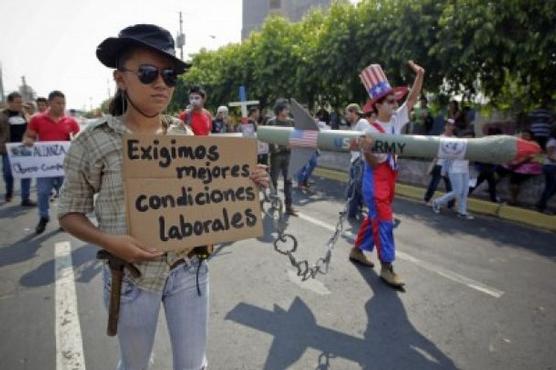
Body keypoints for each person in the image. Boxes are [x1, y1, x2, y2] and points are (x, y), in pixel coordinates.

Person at [58, 24, 268, 370]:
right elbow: (68, 213)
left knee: (193, 364)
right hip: (132, 277)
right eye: (147, 72)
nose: (160, 83)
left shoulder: (182, 132)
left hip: (190, 270)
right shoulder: (93, 141)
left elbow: (205, 193)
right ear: (121, 78)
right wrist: (111, 242)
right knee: (136, 364)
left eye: (169, 75)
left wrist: (245, 181)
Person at [350, 61, 424, 288]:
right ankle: (387, 267)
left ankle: (357, 250)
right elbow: (371, 163)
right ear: (378, 105)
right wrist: (366, 150)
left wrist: (420, 75)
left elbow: (411, 99)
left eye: (395, 100)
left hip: (390, 176)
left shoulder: (396, 120)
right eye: (390, 101)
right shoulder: (369, 131)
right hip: (375, 179)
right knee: (384, 221)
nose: (395, 104)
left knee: (374, 217)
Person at [24, 90, 80, 233]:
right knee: (43, 192)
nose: (61, 106)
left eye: (63, 103)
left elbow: (79, 138)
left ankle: (64, 221)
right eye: (58, 103)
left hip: (64, 166)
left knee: (64, 194)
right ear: (49, 103)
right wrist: (28, 141)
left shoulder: (71, 122)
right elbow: (29, 136)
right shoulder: (37, 119)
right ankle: (44, 217)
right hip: (45, 167)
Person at [0, 91, 35, 205]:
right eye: (17, 102)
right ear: (9, 102)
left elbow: (31, 129)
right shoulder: (2, 115)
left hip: (24, 148)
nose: (20, 104)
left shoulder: (25, 114)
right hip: (8, 150)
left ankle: (25, 198)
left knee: (26, 173)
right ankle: (9, 191)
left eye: (21, 102)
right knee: (8, 173)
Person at [431, 132, 475, 220]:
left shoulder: (471, 146)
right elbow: (447, 157)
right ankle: (437, 202)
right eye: (467, 137)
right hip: (454, 170)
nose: (469, 139)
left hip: (464, 170)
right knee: (457, 191)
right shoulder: (456, 144)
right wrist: (444, 171)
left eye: (471, 137)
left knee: (464, 192)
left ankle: (462, 212)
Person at [268, 99, 297, 216]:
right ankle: (274, 201)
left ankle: (289, 206)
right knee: (273, 180)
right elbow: (268, 138)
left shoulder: (292, 122)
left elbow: (298, 136)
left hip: (289, 155)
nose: (288, 111)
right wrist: (276, 148)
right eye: (285, 109)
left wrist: (293, 144)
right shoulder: (272, 122)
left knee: (288, 181)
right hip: (276, 156)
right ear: (279, 110)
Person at [497, 130, 542, 205]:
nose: (524, 137)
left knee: (515, 179)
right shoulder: (520, 143)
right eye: (523, 135)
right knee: (500, 169)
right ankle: (492, 187)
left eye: (526, 135)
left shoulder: (533, 144)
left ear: (531, 137)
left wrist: (515, 164)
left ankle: (514, 200)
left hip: (530, 166)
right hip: (519, 164)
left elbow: (527, 158)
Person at [345, 103, 370, 221]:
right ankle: (355, 209)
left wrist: (353, 144)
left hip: (360, 160)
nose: (346, 116)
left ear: (354, 112)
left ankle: (352, 212)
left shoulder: (362, 123)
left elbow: (366, 137)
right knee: (354, 187)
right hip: (355, 159)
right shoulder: (354, 125)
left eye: (347, 113)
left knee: (354, 187)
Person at [423, 119, 455, 207]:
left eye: (451, 125)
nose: (449, 127)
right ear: (445, 126)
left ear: (453, 127)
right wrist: (431, 165)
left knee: (450, 186)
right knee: (434, 184)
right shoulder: (440, 137)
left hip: (449, 166)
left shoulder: (455, 139)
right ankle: (426, 199)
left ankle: (451, 204)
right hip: (439, 164)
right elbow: (435, 152)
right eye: (448, 125)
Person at [468, 127, 503, 202]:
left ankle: (466, 193)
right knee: (488, 182)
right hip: (487, 166)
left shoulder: (487, 141)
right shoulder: (494, 143)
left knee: (484, 182)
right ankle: (493, 198)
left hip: (484, 166)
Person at [536, 127, 556, 213]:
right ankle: (541, 205)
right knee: (550, 187)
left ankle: (541, 204)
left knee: (552, 188)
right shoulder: (552, 141)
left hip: (551, 166)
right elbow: (550, 156)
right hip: (551, 166)